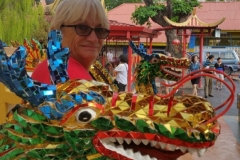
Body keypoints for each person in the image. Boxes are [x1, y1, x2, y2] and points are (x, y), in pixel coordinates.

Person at [31, 0, 110, 84]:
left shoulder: (45, 68)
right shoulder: (76, 81)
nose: (93, 39)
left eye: (100, 30)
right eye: (82, 28)